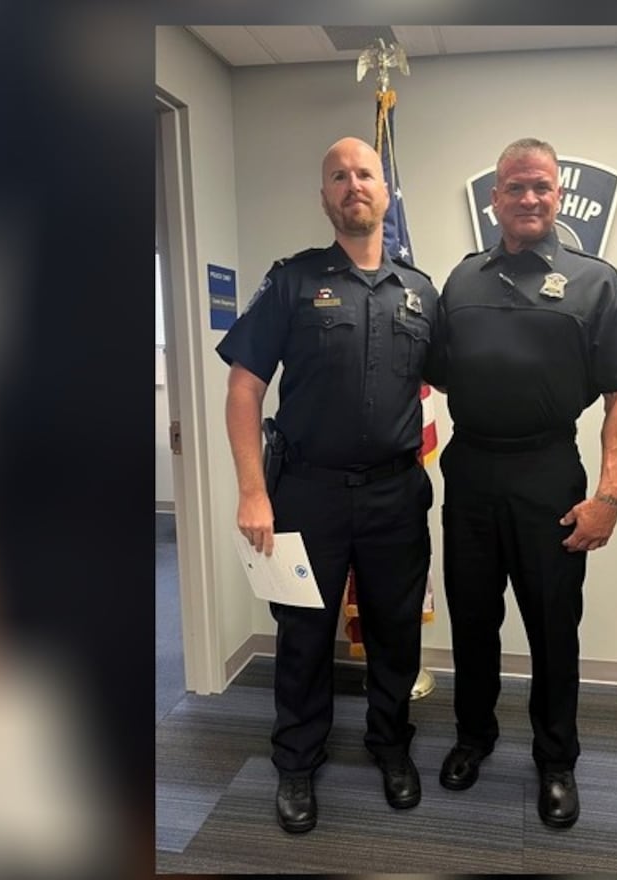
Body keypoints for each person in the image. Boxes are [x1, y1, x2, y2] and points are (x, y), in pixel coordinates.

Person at [425, 138, 617, 829]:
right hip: (471, 470)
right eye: (515, 188)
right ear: (494, 198)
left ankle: (556, 759)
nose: (529, 199)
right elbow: (443, 372)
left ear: (557, 195)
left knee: (553, 628)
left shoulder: (598, 282)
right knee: (473, 620)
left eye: (542, 188)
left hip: (549, 476)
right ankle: (475, 735)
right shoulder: (461, 280)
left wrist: (611, 496)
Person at [215, 136, 439, 834]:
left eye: (364, 173)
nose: (353, 185)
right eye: (337, 176)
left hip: (395, 493)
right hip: (305, 492)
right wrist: (253, 491)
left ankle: (390, 745)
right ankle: (295, 761)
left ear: (385, 190)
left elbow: (465, 378)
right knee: (304, 636)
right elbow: (244, 388)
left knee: (396, 633)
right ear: (324, 197)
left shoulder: (421, 290)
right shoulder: (290, 281)